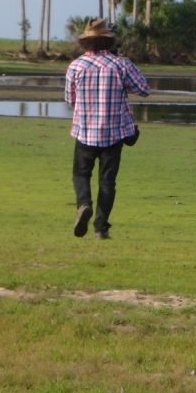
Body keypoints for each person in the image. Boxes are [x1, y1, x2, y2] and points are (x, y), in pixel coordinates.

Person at [63, 18, 149, 240]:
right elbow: (143, 89)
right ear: (109, 41)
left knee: (80, 174)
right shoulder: (121, 64)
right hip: (114, 133)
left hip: (85, 131)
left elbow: (70, 99)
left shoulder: (76, 66)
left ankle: (84, 204)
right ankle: (101, 228)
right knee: (107, 181)